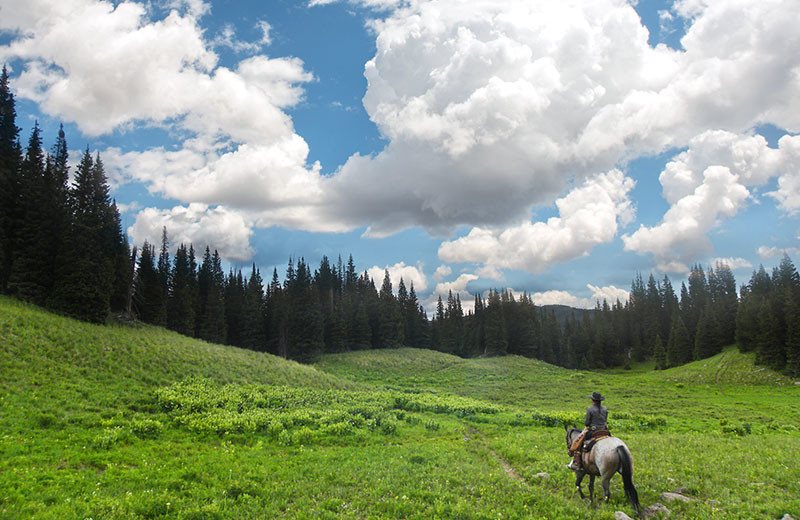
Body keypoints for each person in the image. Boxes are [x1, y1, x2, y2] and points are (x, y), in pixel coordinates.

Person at [567, 391, 609, 471]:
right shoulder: (605, 409)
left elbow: (587, 423)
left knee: (580, 442)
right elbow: (605, 420)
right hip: (604, 431)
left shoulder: (590, 409)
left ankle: (577, 463)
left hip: (593, 431)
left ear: (593, 400)